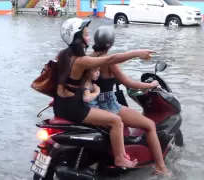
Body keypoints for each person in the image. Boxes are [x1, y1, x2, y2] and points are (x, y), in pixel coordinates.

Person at [54, 18, 155, 168]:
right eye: (86, 34)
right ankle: (120, 158)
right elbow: (111, 59)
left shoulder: (62, 55)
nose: (89, 37)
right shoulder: (80, 60)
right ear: (77, 38)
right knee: (116, 121)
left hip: (59, 105)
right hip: (74, 108)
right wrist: (136, 53)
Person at [87, 26, 171, 175]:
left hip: (91, 105)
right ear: (111, 43)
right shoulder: (109, 62)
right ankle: (160, 166)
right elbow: (129, 83)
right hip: (109, 105)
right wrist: (150, 85)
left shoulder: (88, 58)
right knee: (150, 125)